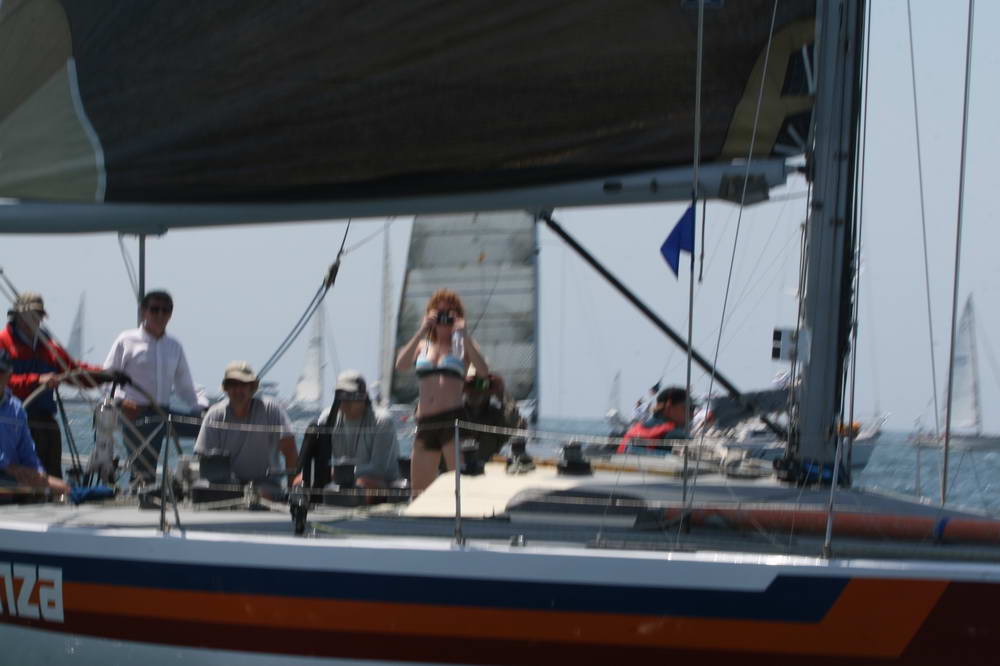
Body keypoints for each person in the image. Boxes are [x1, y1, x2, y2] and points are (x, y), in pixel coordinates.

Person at [104, 290, 208, 485]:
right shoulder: (126, 340)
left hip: (164, 412)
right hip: (135, 413)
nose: (160, 315)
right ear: (143, 311)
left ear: (171, 314)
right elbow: (106, 378)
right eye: (154, 309)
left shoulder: (174, 346)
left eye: (165, 310)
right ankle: (142, 493)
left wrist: (204, 409)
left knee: (210, 429)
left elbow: (185, 386)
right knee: (144, 471)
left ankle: (204, 482)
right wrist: (121, 402)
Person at [0, 292, 108, 478]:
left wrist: (105, 375)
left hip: (45, 420)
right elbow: (4, 383)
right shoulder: (3, 342)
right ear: (16, 316)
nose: (33, 320)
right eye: (28, 315)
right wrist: (37, 380)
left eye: (37, 315)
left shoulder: (49, 345)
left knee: (51, 474)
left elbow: (73, 371)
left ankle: (54, 491)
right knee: (19, 476)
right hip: (12, 420)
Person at [395, 288, 488, 497]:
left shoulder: (463, 346)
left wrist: (464, 334)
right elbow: (400, 365)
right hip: (426, 422)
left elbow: (483, 371)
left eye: (449, 314)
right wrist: (421, 330)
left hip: (452, 420)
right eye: (439, 313)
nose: (444, 319)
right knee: (419, 491)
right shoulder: (422, 345)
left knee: (461, 487)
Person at [194, 361, 297, 498]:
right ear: (226, 388)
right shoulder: (214, 415)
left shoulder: (271, 410)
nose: (238, 390)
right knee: (200, 489)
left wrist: (291, 491)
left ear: (252, 388)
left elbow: (290, 449)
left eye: (243, 384)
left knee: (262, 494)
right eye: (232, 384)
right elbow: (203, 456)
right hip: (226, 485)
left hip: (266, 484)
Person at [294, 370, 400, 498]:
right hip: (341, 480)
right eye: (340, 395)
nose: (344, 400)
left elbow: (378, 468)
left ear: (364, 396)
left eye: (350, 395)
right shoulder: (327, 418)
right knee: (300, 481)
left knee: (363, 484)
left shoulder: (382, 421)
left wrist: (338, 473)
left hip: (381, 483)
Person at [0, 349, 70, 495]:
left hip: (13, 479)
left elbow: (27, 452)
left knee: (63, 488)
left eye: (1, 372)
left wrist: (38, 473)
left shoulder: (16, 409)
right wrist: (10, 468)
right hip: (8, 476)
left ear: (9, 374)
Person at [461, 368, 532, 470]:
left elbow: (516, 423)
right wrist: (456, 389)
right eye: (471, 385)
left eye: (482, 386)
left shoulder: (496, 417)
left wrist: (502, 394)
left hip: (485, 471)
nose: (475, 392)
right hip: (452, 472)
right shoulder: (455, 413)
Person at [616, 386, 691, 455]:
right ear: (669, 405)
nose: (691, 414)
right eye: (688, 408)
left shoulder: (634, 430)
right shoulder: (675, 435)